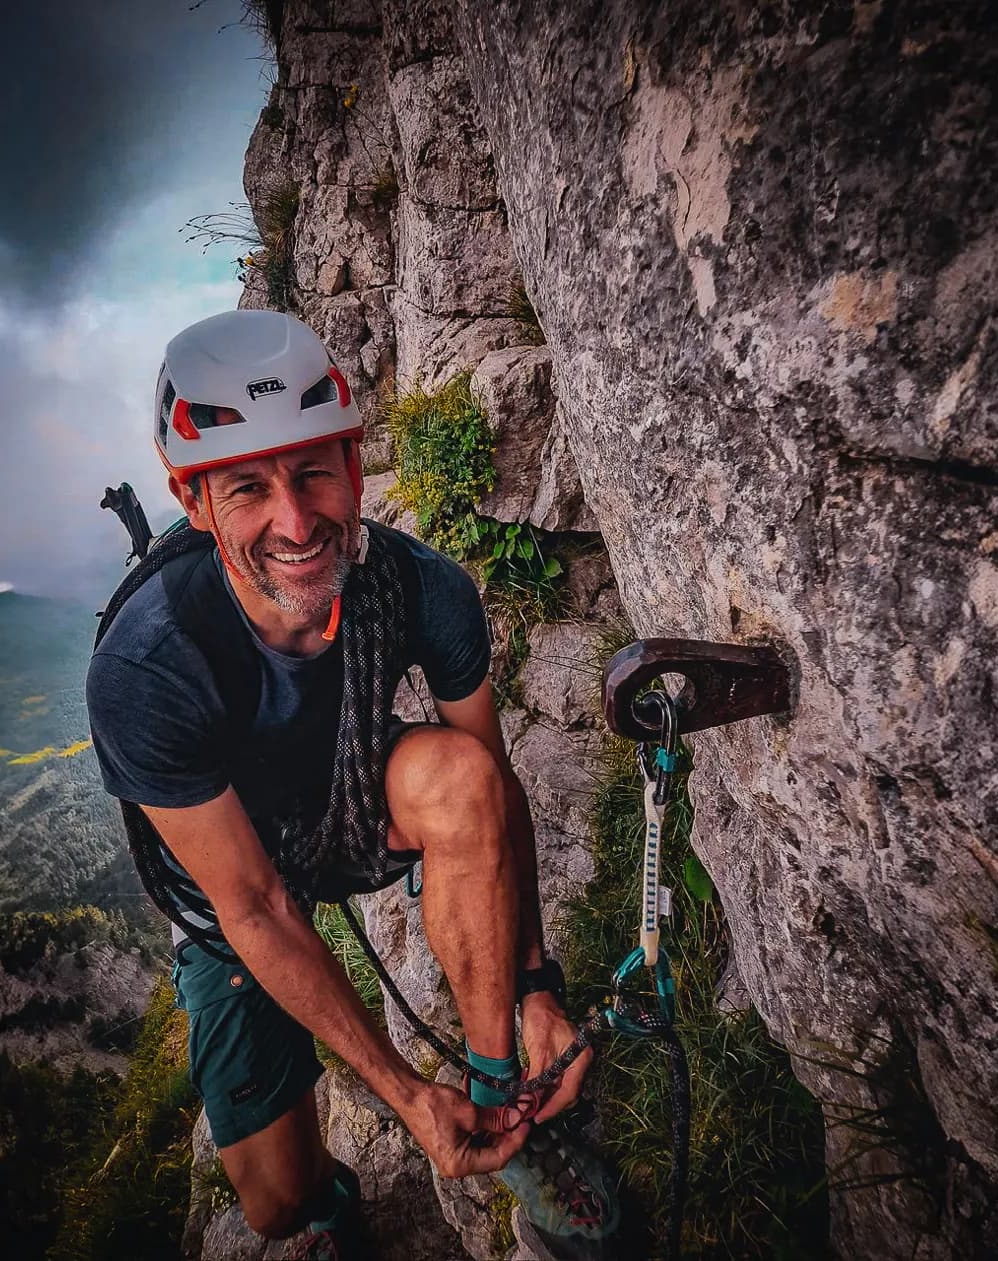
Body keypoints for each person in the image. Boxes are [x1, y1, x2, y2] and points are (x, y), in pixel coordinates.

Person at [86, 310, 622, 1259]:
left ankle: (505, 1112)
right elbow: (253, 904)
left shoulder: (423, 589)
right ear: (194, 498)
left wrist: (538, 985)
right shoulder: (149, 666)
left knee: (458, 776)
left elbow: (492, 793)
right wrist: (409, 1096)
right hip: (232, 884)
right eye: (248, 486)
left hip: (345, 803)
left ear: (355, 460)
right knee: (276, 1204)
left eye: (313, 471)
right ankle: (332, 1199)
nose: (296, 522)